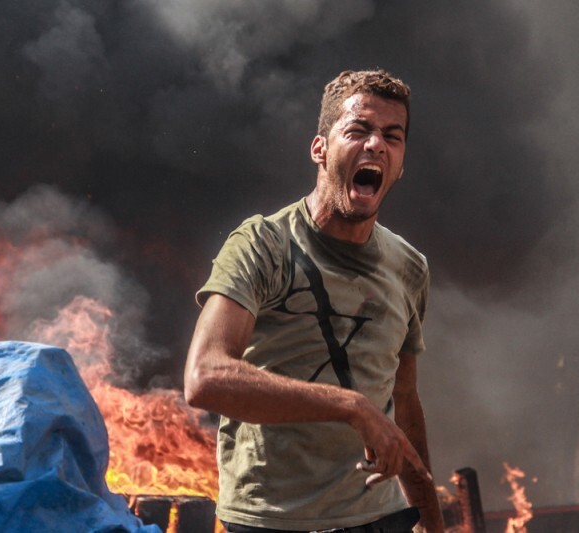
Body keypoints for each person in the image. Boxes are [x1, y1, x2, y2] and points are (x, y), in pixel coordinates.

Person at [184, 69, 444, 532]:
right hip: (272, 521)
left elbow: (405, 399)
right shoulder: (262, 245)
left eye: (392, 136)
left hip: (379, 517)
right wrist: (351, 406)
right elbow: (205, 377)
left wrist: (432, 522)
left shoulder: (409, 267)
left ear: (401, 162)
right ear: (320, 149)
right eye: (358, 130)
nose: (376, 145)